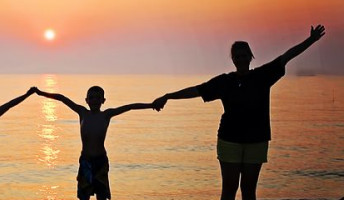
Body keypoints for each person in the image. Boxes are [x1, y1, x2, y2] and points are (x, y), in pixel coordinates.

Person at [152, 25, 326, 200]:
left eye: (244, 56)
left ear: (250, 57)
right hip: (229, 140)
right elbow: (197, 91)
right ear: (233, 60)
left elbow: (287, 56)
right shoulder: (225, 81)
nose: (241, 60)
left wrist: (311, 40)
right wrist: (168, 96)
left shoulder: (262, 76)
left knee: (249, 191)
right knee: (229, 189)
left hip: (256, 140)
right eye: (237, 57)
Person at [34, 86, 158, 200]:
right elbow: (62, 98)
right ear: (86, 100)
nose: (94, 100)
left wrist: (151, 105)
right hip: (86, 161)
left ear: (103, 100)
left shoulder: (106, 115)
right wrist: (40, 93)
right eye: (91, 98)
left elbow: (130, 106)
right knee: (84, 195)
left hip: (101, 161)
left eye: (98, 98)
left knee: (101, 195)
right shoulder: (82, 112)